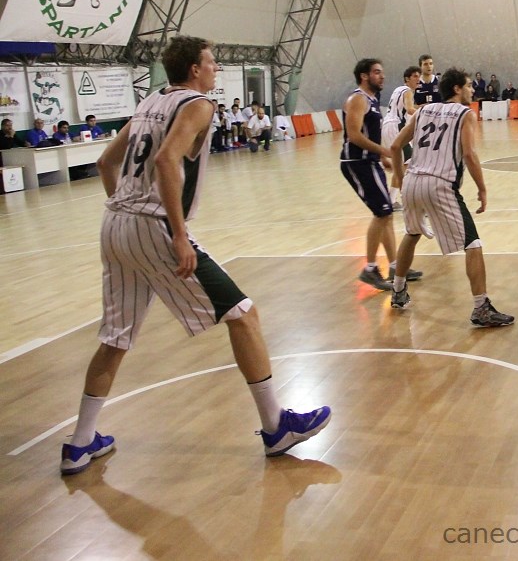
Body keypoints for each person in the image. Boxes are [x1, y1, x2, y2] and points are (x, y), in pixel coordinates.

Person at [59, 35, 331, 476]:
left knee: (115, 339)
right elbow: (167, 161)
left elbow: (107, 162)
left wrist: (126, 208)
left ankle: (79, 443)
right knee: (244, 315)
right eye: (212, 62)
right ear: (194, 70)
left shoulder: (150, 102)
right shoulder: (198, 104)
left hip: (114, 225)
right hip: (154, 227)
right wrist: (179, 235)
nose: (216, 68)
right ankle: (276, 427)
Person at [388, 67, 515, 327]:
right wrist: (482, 188)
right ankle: (481, 307)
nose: (472, 90)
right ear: (457, 89)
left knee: (412, 233)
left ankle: (398, 290)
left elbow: (395, 145)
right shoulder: (465, 113)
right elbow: (469, 154)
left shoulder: (422, 110)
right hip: (440, 184)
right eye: (468, 85)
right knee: (473, 243)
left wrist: (400, 179)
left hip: (412, 182)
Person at [341, 58, 414, 291]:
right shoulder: (357, 99)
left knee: (386, 214)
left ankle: (395, 266)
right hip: (356, 162)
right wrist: (385, 151)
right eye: (376, 72)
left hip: (370, 161)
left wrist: (381, 158)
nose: (382, 76)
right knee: (382, 213)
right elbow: (354, 135)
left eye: (382, 72)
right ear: (364, 76)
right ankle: (370, 268)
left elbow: (369, 134)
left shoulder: (373, 99)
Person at [381, 65, 420, 208]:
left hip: (387, 126)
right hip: (395, 126)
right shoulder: (407, 91)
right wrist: (426, 112)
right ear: (407, 79)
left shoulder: (398, 90)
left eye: (419, 76)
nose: (418, 79)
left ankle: (391, 200)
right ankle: (411, 200)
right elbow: (410, 109)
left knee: (401, 165)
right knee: (408, 165)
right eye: (415, 76)